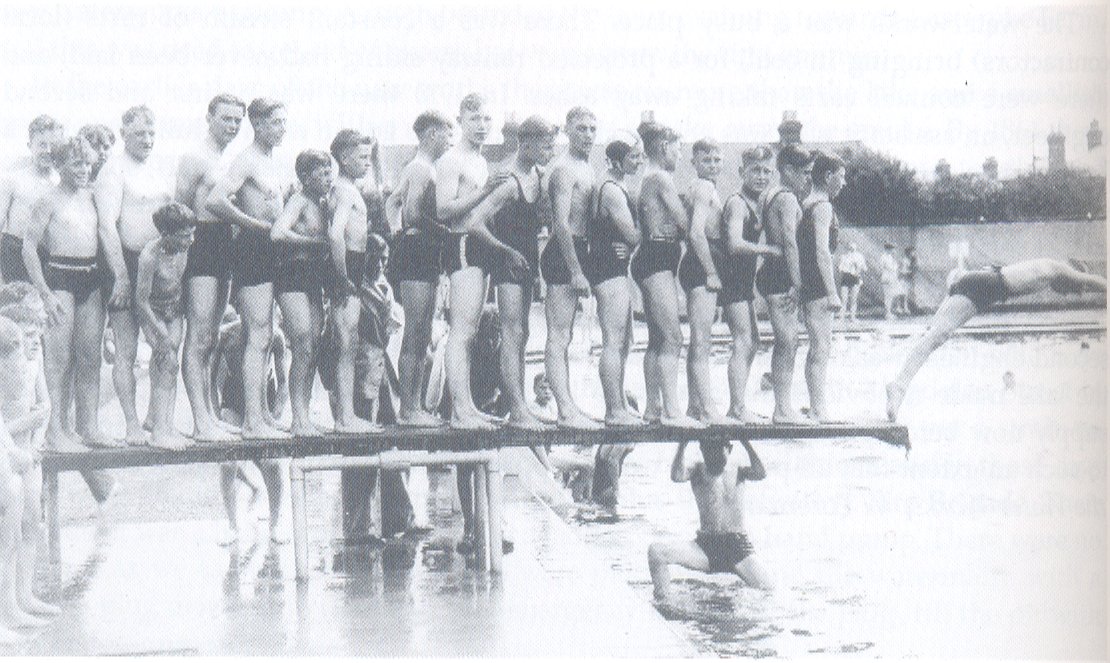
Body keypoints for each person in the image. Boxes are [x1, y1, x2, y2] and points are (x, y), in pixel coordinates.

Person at [886, 259, 1107, 421]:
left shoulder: (1044, 266)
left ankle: (899, 384)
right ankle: (899, 386)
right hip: (988, 286)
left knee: (933, 336)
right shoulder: (1058, 267)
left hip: (981, 280)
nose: (1068, 293)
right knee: (936, 337)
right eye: (1073, 288)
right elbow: (1097, 281)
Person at [207, 98, 290, 439]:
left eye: (284, 122)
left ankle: (265, 416)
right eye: (274, 123)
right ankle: (252, 420)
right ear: (257, 124)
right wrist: (253, 224)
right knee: (256, 334)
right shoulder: (246, 160)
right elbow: (215, 200)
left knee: (268, 334)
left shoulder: (272, 161)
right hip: (253, 249)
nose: (282, 128)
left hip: (273, 249)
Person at [466, 116, 556, 430]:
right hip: (508, 263)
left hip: (526, 261)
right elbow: (475, 223)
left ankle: (519, 406)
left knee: (523, 335)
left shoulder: (537, 175)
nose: (550, 151)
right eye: (545, 146)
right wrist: (506, 251)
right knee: (512, 334)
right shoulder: (508, 182)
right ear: (526, 143)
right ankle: (517, 410)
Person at [23, 137, 111, 452]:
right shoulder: (48, 200)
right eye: (77, 164)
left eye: (87, 163)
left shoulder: (91, 197)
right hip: (59, 276)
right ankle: (54, 431)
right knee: (58, 360)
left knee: (90, 357)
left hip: (91, 276)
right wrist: (45, 294)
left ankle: (88, 426)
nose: (84, 169)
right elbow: (28, 248)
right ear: (61, 166)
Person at [96, 105, 173, 446]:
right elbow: (107, 227)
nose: (147, 139)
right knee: (126, 350)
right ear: (124, 132)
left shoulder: (158, 168)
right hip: (125, 262)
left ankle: (156, 418)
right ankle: (130, 424)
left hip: (160, 265)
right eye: (140, 133)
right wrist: (121, 277)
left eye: (152, 132)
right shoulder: (113, 171)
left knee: (164, 343)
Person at [176, 93, 246, 443]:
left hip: (222, 244)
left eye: (237, 120)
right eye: (226, 119)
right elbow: (180, 209)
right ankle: (200, 421)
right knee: (199, 334)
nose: (232, 126)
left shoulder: (227, 160)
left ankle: (209, 417)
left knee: (212, 337)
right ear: (209, 117)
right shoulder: (194, 157)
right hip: (199, 243)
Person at [437, 93, 503, 431]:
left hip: (479, 246)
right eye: (475, 119)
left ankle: (467, 407)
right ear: (460, 119)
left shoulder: (479, 160)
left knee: (472, 332)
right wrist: (485, 191)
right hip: (461, 244)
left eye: (487, 119)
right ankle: (459, 410)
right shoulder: (452, 160)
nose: (482, 126)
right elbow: (444, 209)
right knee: (461, 331)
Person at [632, 121, 702, 429]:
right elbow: (686, 224)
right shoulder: (661, 178)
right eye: (678, 148)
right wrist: (692, 205)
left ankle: (652, 408)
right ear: (663, 147)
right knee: (673, 337)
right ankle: (673, 412)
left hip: (652, 258)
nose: (681, 155)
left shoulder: (647, 177)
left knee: (657, 339)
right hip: (657, 258)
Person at [385, 110, 452, 428]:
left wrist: (393, 228)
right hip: (417, 251)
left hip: (424, 252)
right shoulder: (420, 168)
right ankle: (408, 409)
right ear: (430, 134)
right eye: (446, 133)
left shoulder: (423, 168)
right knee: (415, 331)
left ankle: (414, 406)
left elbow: (393, 203)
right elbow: (411, 213)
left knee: (424, 331)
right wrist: (445, 232)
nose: (450, 140)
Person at [648, 439, 772, 603]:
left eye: (717, 451)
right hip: (706, 546)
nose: (712, 456)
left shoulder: (738, 469)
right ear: (701, 449)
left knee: (770, 590)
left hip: (738, 547)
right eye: (708, 451)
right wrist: (683, 443)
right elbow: (677, 476)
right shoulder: (697, 468)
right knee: (656, 552)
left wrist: (745, 441)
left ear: (729, 449)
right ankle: (664, 604)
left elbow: (761, 473)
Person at [539, 107, 599, 430]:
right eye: (581, 129)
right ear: (566, 130)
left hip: (579, 249)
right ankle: (564, 410)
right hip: (564, 253)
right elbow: (560, 224)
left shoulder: (585, 167)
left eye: (592, 129)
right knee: (558, 336)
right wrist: (576, 270)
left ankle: (570, 404)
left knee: (568, 335)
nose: (588, 135)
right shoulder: (563, 169)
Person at [0, 308, 59, 627]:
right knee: (8, 530)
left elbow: (45, 406)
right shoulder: (5, 366)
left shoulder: (33, 365)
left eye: (38, 335)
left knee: (31, 521)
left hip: (28, 451)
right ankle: (7, 607)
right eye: (28, 336)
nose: (35, 342)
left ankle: (24, 596)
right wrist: (27, 423)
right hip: (8, 455)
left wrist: (36, 440)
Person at [212, 310, 287, 544]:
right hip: (233, 400)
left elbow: (284, 383)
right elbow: (212, 381)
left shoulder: (275, 335)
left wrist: (275, 415)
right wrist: (215, 417)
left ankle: (276, 522)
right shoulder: (226, 335)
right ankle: (232, 525)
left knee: (272, 464)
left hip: (265, 399)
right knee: (227, 463)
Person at [271, 150, 331, 436]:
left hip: (313, 278)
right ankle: (297, 418)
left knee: (314, 348)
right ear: (305, 177)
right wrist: (311, 242)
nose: (328, 177)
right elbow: (278, 232)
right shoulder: (298, 200)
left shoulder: (323, 203)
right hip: (292, 274)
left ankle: (304, 415)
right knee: (303, 344)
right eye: (322, 173)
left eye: (330, 171)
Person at [719, 146, 779, 423]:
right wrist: (768, 250)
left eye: (767, 171)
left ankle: (740, 404)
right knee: (743, 342)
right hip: (731, 280)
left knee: (752, 342)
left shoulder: (756, 203)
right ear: (742, 172)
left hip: (742, 282)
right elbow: (733, 243)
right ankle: (736, 407)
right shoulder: (738, 204)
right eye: (756, 170)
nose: (762, 176)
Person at [326, 129, 380, 433]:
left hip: (353, 266)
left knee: (350, 343)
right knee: (347, 344)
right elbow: (336, 233)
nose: (368, 163)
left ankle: (346, 415)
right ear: (344, 159)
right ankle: (345, 417)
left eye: (370, 157)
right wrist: (343, 275)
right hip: (349, 266)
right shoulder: (345, 190)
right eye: (362, 157)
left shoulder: (348, 188)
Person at [755, 144, 812, 424]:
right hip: (781, 275)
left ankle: (783, 405)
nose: (807, 179)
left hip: (773, 271)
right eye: (804, 173)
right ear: (787, 170)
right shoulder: (787, 198)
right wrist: (797, 283)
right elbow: (789, 240)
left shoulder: (769, 195)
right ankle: (782, 408)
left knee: (789, 341)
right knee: (788, 341)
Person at [590, 134, 643, 427]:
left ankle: (620, 403)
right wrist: (641, 237)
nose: (638, 161)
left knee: (625, 341)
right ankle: (613, 409)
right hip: (607, 268)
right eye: (633, 157)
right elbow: (633, 235)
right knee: (613, 341)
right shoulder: (610, 190)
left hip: (614, 267)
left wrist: (633, 244)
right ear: (616, 160)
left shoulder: (618, 184)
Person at [677, 138, 731, 425]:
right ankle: (708, 408)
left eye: (717, 159)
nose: (712, 165)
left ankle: (694, 405)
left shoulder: (700, 188)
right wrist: (711, 271)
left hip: (700, 263)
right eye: (706, 160)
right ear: (694, 163)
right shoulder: (705, 188)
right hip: (702, 263)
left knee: (699, 340)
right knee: (702, 342)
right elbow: (696, 233)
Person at [133, 202, 196, 450]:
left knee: (171, 367)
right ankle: (159, 431)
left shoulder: (183, 247)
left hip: (174, 309)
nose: (190, 240)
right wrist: (159, 333)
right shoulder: (149, 256)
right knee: (165, 361)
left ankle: (165, 425)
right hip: (152, 311)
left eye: (192, 233)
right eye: (184, 236)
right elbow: (141, 300)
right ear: (165, 234)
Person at [797, 153, 844, 423]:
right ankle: (818, 409)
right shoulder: (822, 206)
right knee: (821, 347)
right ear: (828, 177)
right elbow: (822, 252)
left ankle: (816, 405)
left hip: (809, 283)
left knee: (817, 347)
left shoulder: (806, 203)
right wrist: (832, 292)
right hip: (818, 285)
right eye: (842, 175)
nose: (844, 182)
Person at [1, 116, 63, 284]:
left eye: (53, 145)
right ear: (30, 146)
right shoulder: (13, 180)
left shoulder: (61, 182)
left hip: (49, 259)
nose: (48, 150)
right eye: (42, 144)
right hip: (14, 256)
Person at [837, 242, 866, 322]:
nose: (851, 250)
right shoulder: (844, 257)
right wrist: (846, 267)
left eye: (853, 249)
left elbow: (865, 268)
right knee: (844, 299)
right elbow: (840, 269)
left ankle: (852, 317)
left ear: (856, 249)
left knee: (853, 299)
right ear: (848, 249)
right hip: (846, 277)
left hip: (855, 278)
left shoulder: (860, 256)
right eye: (850, 248)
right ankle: (841, 318)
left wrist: (858, 267)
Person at [880, 243, 900, 318]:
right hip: (887, 277)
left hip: (892, 278)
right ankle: (887, 313)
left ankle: (889, 312)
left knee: (890, 296)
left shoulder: (890, 257)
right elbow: (890, 268)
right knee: (887, 296)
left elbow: (895, 268)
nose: (893, 250)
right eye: (892, 249)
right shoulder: (884, 257)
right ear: (888, 249)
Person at [898, 247, 917, 315]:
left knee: (906, 294)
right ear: (909, 252)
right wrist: (907, 272)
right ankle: (899, 307)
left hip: (907, 278)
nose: (914, 253)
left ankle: (905, 307)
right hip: (903, 278)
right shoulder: (905, 260)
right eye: (912, 252)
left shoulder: (911, 260)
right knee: (901, 293)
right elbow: (902, 270)